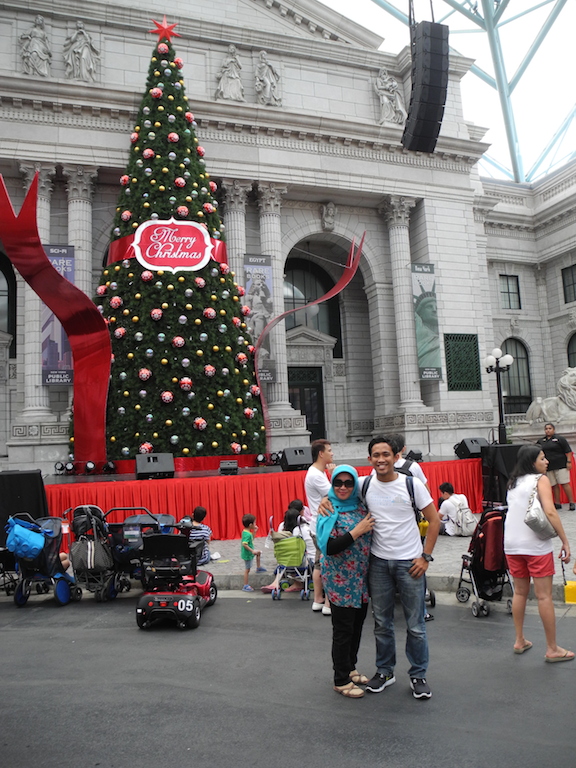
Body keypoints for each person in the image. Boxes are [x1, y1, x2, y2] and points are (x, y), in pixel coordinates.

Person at [318, 436, 441, 698]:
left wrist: (425, 557)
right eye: (376, 455)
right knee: (382, 623)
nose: (381, 459)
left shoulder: (412, 485)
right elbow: (341, 489)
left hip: (410, 563)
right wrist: (324, 501)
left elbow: (434, 520)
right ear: (369, 459)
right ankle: (385, 671)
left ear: (396, 457)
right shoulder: (364, 485)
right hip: (378, 564)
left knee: (416, 625)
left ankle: (418, 675)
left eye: (386, 454)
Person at [505, 444, 574, 661]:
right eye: (542, 458)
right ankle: (552, 648)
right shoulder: (540, 480)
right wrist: (565, 541)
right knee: (544, 596)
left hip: (512, 544)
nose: (546, 462)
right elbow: (550, 512)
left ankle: (519, 640)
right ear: (532, 462)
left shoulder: (513, 482)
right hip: (535, 545)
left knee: (520, 592)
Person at [316, 465, 375, 698]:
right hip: (339, 580)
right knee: (343, 630)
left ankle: (350, 668)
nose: (343, 487)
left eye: (348, 483)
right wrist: (357, 531)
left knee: (357, 626)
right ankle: (340, 679)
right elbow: (328, 547)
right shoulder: (329, 509)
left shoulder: (361, 505)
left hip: (361, 577)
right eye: (337, 483)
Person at [304, 438, 335, 615]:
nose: (332, 453)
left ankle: (318, 599)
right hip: (324, 526)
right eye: (329, 450)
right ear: (321, 454)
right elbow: (335, 494)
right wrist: (335, 474)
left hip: (318, 526)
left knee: (319, 563)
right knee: (328, 564)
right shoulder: (316, 475)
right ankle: (329, 603)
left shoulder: (316, 472)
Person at [261, 507, 314, 593]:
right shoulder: (304, 529)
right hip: (304, 562)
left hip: (289, 562)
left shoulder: (285, 533)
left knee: (284, 563)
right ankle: (286, 584)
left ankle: (276, 583)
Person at [536, 423, 575, 510]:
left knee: (564, 483)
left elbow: (568, 451)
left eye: (550, 428)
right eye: (546, 429)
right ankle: (557, 503)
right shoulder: (541, 441)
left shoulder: (560, 439)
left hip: (561, 465)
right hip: (549, 466)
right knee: (554, 485)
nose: (548, 430)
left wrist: (568, 462)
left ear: (554, 429)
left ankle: (572, 502)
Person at [240, 514, 266, 592]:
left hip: (249, 552)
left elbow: (251, 539)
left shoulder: (246, 532)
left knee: (258, 553)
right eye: (254, 523)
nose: (255, 524)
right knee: (247, 570)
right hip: (248, 554)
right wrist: (252, 551)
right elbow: (244, 544)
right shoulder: (247, 534)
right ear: (250, 525)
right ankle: (245, 585)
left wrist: (254, 531)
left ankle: (258, 567)